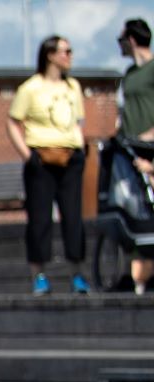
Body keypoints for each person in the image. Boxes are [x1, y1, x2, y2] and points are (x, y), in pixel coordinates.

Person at [10, 35, 91, 293]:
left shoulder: (73, 87)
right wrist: (27, 155)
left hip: (70, 157)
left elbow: (78, 120)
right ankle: (39, 276)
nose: (69, 56)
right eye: (65, 51)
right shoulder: (30, 88)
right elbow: (12, 122)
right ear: (50, 55)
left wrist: (80, 145)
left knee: (73, 216)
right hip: (41, 159)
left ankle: (77, 274)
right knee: (40, 218)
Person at [120, 18, 154, 294]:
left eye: (121, 39)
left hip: (150, 147)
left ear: (131, 39)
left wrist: (148, 135)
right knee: (135, 213)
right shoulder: (129, 73)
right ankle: (136, 277)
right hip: (131, 149)